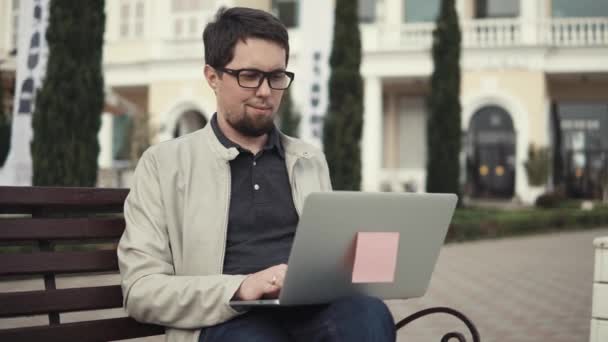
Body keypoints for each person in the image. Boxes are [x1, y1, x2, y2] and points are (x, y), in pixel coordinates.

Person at [118, 6, 396, 342]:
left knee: (369, 313)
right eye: (249, 76)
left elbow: (332, 260)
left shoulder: (309, 159)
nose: (265, 91)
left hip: (311, 310)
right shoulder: (163, 165)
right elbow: (141, 290)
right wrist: (240, 288)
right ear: (212, 77)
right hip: (227, 319)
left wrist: (365, 263)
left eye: (276, 76)